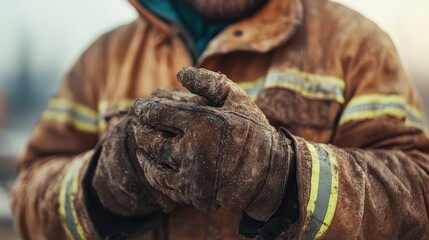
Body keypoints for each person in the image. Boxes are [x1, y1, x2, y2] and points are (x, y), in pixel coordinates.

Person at [10, 0, 429, 239]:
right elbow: (28, 193)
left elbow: (417, 193)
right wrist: (102, 185)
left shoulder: (354, 45)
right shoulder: (103, 60)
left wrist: (281, 174)